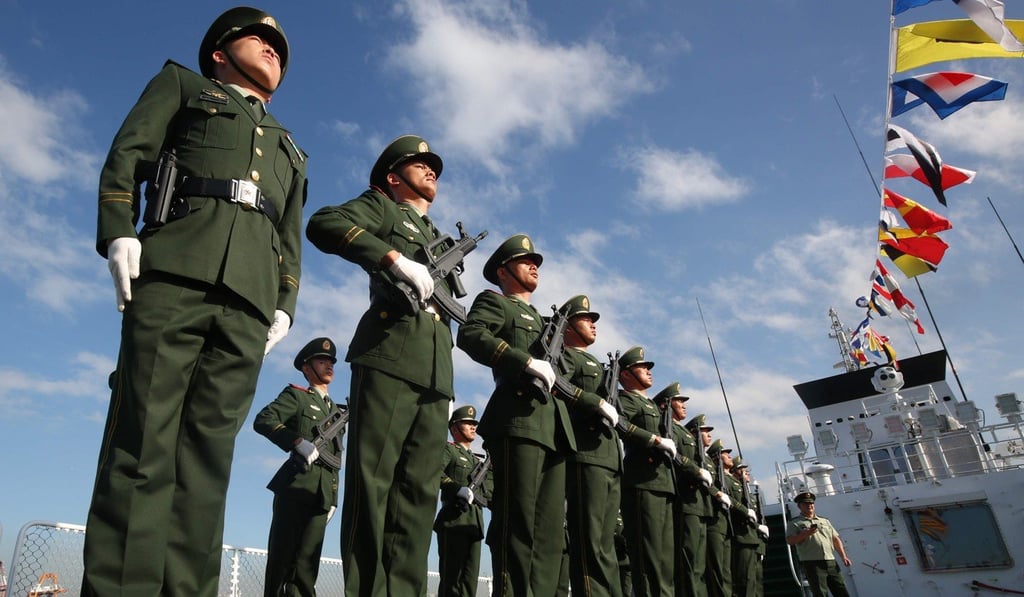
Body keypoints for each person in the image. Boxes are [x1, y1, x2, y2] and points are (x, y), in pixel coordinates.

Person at [84, 7, 305, 595]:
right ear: (218, 52)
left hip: (249, 303)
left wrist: (284, 303)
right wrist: (119, 228)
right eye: (260, 40)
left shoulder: (291, 149)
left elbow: (289, 236)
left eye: (280, 49)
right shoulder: (183, 86)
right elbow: (129, 152)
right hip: (176, 273)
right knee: (144, 442)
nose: (273, 51)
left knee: (208, 463)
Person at [306, 135, 455, 596]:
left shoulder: (438, 236)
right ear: (394, 177)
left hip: (434, 373)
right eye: (419, 164)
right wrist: (392, 258)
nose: (431, 170)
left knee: (418, 496)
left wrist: (446, 387)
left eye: (434, 166)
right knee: (374, 485)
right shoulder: (384, 208)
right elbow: (325, 222)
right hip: (389, 353)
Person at [456, 234, 578, 596]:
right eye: (526, 261)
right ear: (503, 271)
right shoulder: (496, 303)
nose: (534, 266)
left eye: (536, 261)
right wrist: (524, 361)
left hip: (555, 429)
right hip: (518, 420)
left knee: (550, 532)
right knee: (518, 523)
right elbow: (471, 335)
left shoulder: (547, 325)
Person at [254, 337, 344, 596]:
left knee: (307, 567)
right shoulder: (296, 396)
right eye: (321, 361)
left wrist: (334, 498)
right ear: (306, 368)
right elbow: (264, 419)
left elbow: (337, 458)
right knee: (282, 562)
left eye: (331, 363)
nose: (329, 366)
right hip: (296, 487)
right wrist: (295, 441)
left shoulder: (336, 413)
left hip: (321, 495)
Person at [559, 295, 623, 597]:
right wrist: (593, 402)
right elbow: (560, 386)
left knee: (605, 544)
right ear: (568, 326)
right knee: (590, 542)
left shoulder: (599, 364)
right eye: (586, 319)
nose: (594, 324)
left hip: (610, 458)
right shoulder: (567, 356)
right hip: (586, 454)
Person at [616, 346, 678, 597]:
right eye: (642, 368)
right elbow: (621, 424)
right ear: (626, 374)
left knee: (665, 559)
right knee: (648, 555)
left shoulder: (653, 407)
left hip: (662, 483)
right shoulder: (625, 399)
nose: (649, 372)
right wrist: (653, 439)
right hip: (643, 481)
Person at [653, 383, 712, 597]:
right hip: (685, 499)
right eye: (680, 401)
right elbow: (676, 457)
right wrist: (696, 471)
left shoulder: (683, 432)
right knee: (688, 561)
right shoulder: (670, 428)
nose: (684, 406)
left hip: (697, 502)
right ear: (666, 405)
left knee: (698, 564)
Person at [435, 405, 491, 597]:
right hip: (453, 520)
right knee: (452, 582)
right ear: (454, 428)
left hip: (474, 524)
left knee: (469, 583)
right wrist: (456, 488)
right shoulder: (449, 450)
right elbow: (434, 472)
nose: (473, 427)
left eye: (474, 423)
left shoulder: (479, 462)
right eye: (467, 423)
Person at [786, 492, 851, 597]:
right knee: (820, 593)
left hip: (830, 561)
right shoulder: (794, 523)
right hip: (812, 563)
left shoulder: (824, 521)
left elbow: (835, 539)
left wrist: (843, 556)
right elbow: (790, 541)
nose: (809, 506)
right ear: (799, 506)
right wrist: (805, 533)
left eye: (811, 503)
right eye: (805, 503)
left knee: (841, 591)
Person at [727, 457, 762, 597]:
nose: (747, 473)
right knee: (745, 580)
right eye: (743, 470)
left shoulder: (748, 492)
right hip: (742, 537)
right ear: (735, 473)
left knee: (755, 581)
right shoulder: (733, 485)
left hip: (753, 539)